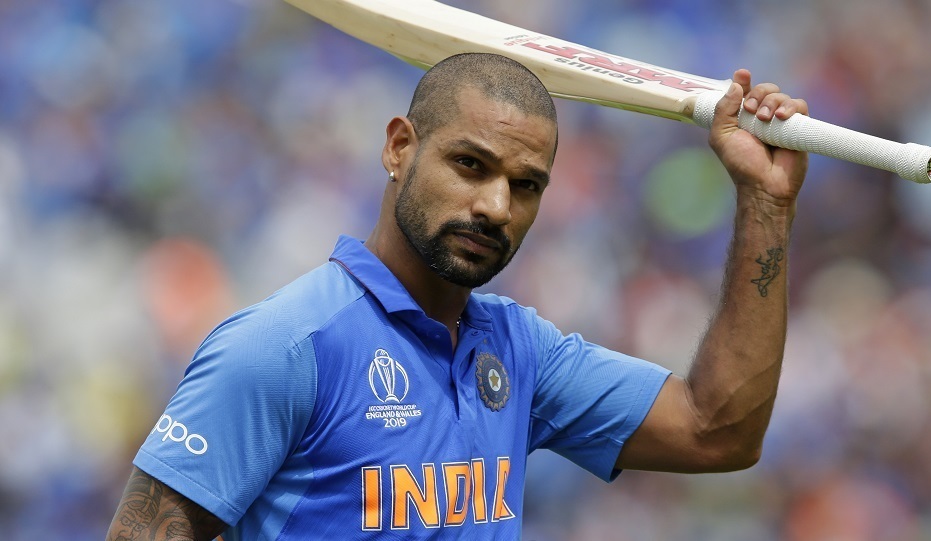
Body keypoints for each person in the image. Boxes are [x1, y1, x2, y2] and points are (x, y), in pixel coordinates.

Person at [106, 52, 808, 540]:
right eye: (470, 164)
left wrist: (765, 203)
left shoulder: (520, 350)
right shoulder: (284, 346)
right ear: (399, 147)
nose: (496, 206)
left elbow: (718, 431)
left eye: (525, 185)